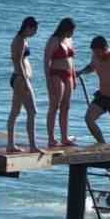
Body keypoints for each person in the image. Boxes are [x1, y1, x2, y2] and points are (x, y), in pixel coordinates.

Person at [6, 16, 41, 155]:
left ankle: (10, 144)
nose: (36, 33)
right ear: (28, 27)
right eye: (35, 30)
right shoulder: (20, 40)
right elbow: (18, 61)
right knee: (32, 111)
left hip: (19, 78)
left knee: (15, 112)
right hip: (21, 79)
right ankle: (32, 145)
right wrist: (26, 80)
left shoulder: (23, 39)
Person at [43, 17, 79, 148]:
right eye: (71, 30)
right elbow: (46, 60)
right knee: (54, 106)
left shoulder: (69, 40)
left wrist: (74, 77)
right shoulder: (54, 40)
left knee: (66, 106)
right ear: (65, 28)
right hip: (56, 74)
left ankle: (64, 137)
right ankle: (51, 138)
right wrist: (48, 80)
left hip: (68, 74)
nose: (72, 33)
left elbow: (72, 60)